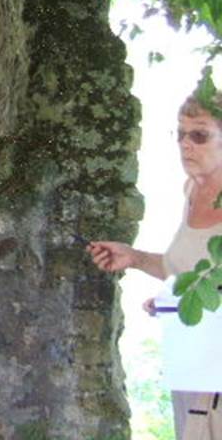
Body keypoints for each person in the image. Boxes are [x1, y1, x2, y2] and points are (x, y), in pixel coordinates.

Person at [88, 90, 222, 440]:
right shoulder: (192, 191)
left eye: (199, 135)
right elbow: (190, 271)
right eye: (180, 133)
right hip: (191, 364)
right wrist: (135, 259)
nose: (185, 145)